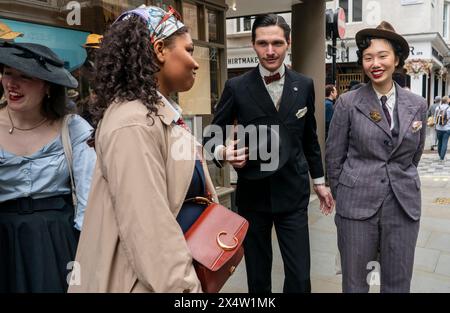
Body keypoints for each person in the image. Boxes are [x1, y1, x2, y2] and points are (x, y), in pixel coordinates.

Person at [68, 5, 218, 293]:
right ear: (160, 50)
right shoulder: (133, 122)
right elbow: (151, 235)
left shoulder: (155, 113)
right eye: (188, 50)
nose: (196, 62)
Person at [204, 13, 334, 293]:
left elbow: (309, 139)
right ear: (253, 45)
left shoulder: (305, 85)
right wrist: (225, 152)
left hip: (294, 194)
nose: (270, 50)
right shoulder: (236, 87)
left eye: (277, 42)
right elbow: (210, 137)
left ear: (288, 43)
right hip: (253, 196)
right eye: (263, 43)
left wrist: (320, 183)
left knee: (300, 278)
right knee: (258, 279)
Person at [326, 21, 427, 293]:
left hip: (403, 206)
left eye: (382, 56)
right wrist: (347, 193)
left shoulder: (417, 105)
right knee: (356, 283)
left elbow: (414, 156)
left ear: (396, 59)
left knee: (398, 282)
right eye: (368, 57)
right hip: (356, 207)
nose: (375, 63)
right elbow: (334, 158)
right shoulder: (348, 103)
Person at [0, 41, 96, 292]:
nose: (12, 83)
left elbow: (89, 201)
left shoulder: (73, 128)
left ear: (48, 86)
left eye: (25, 76)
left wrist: (86, 254)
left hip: (57, 241)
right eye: (8, 73)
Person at [434, 96, 450, 161]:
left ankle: (440, 155)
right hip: (447, 128)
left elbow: (435, 117)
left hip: (438, 128)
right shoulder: (449, 108)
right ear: (447, 101)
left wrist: (435, 126)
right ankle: (442, 157)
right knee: (444, 142)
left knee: (439, 142)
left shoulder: (438, 107)